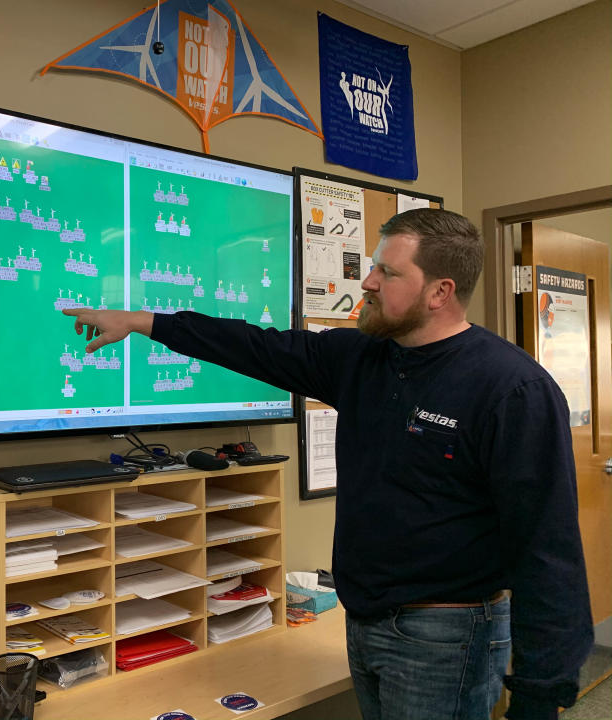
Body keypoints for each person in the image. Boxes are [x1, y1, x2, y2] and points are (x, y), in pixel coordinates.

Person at [63, 209, 593, 720]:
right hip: (364, 621)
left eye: (387, 271)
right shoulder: (359, 358)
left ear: (440, 292)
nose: (368, 282)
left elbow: (548, 548)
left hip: (448, 634)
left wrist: (540, 691)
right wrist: (142, 321)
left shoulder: (510, 388)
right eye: (373, 266)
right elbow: (253, 346)